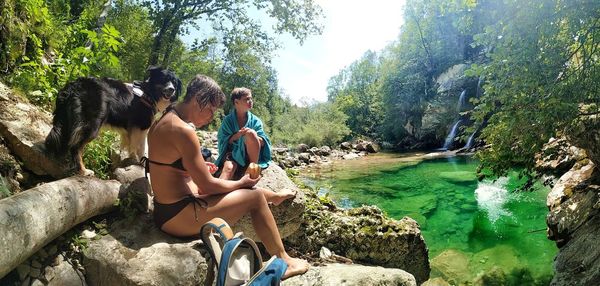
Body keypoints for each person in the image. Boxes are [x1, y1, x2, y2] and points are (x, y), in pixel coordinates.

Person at [145, 75, 308, 279]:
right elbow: (207, 186)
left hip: (166, 210)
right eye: (211, 109)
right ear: (198, 100)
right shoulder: (183, 131)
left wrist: (194, 166)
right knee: (254, 197)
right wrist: (241, 182)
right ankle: (285, 260)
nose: (212, 116)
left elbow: (166, 164)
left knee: (243, 189)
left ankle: (273, 197)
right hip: (179, 216)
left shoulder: (164, 118)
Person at [215, 87, 271, 180]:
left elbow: (263, 142)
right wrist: (238, 135)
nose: (250, 101)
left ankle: (253, 169)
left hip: (250, 156)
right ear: (236, 102)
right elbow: (223, 141)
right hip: (233, 154)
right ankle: (214, 191)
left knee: (251, 133)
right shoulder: (228, 121)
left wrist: (251, 135)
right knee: (228, 168)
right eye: (247, 99)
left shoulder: (256, 121)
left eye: (251, 98)